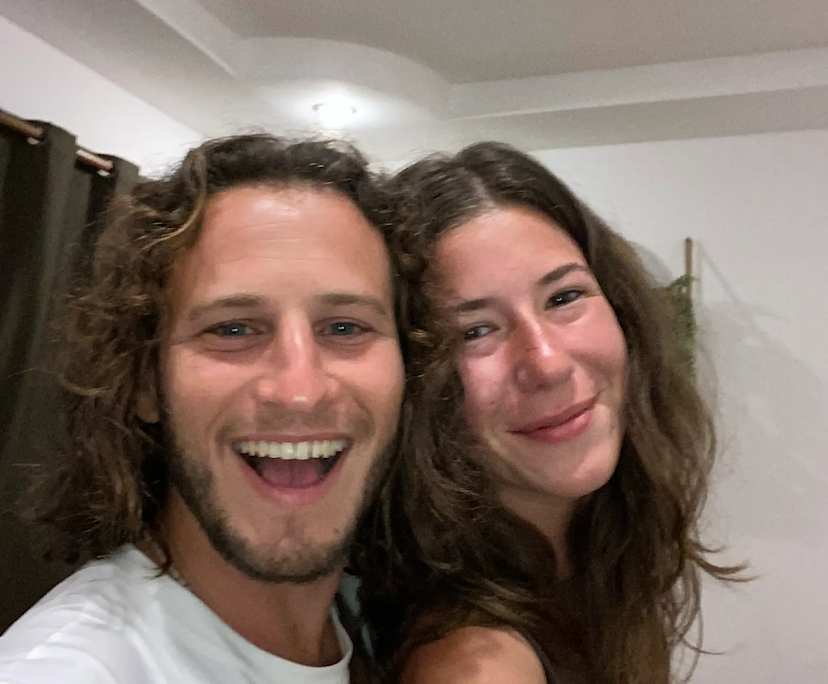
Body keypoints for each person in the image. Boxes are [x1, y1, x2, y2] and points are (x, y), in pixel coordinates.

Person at [0, 134, 405, 683]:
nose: (300, 392)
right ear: (146, 381)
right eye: (232, 329)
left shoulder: (383, 620)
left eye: (345, 327)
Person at [352, 142, 744, 683]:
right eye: (475, 331)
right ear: (414, 380)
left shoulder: (595, 550)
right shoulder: (476, 665)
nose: (547, 363)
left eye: (563, 298)